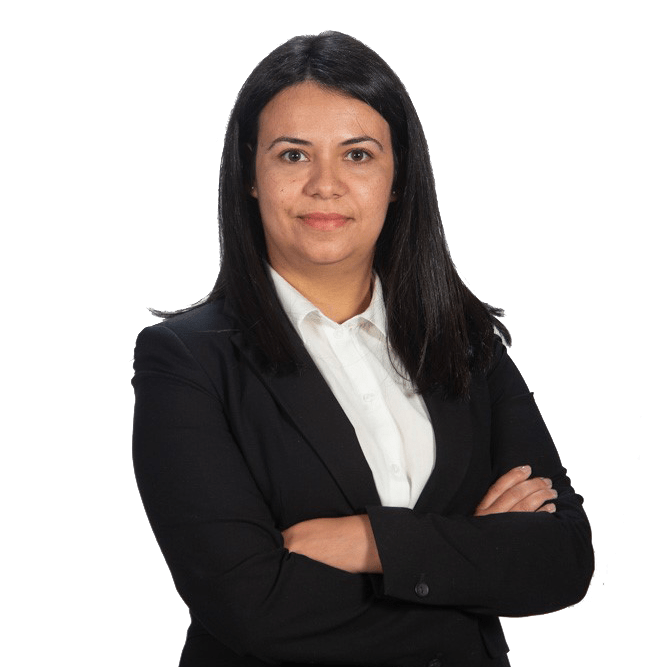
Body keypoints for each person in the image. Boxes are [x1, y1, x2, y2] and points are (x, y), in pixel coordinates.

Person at [131, 31, 594, 667]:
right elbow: (251, 606)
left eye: (357, 155)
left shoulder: (464, 343)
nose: (325, 185)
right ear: (251, 176)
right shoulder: (187, 362)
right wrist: (471, 562)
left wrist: (371, 543)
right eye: (293, 155)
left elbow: (563, 558)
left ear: (397, 177)